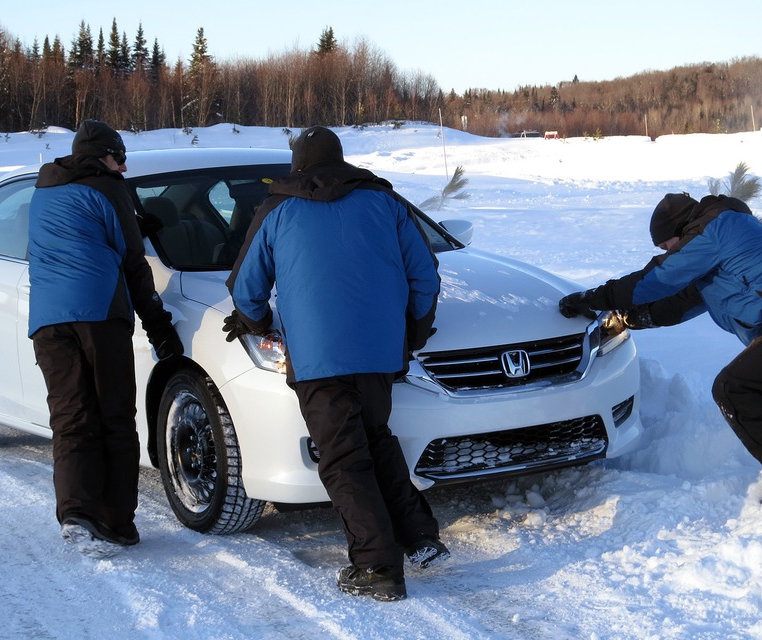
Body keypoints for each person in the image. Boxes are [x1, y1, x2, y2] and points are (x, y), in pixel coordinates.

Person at [225, 126, 449, 601]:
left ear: (298, 164)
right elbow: (426, 276)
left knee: (344, 458)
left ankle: (376, 568)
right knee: (376, 440)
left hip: (319, 358)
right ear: (340, 159)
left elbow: (246, 288)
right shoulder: (387, 204)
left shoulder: (278, 208)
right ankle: (419, 537)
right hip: (378, 354)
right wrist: (411, 332)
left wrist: (254, 322)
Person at [559, 192, 762, 499]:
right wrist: (627, 319)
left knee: (735, 389)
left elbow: (656, 279)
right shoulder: (723, 249)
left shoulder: (715, 228)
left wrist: (593, 298)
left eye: (666, 245)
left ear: (680, 231)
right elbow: (675, 304)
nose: (666, 252)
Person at [28, 119, 183, 556]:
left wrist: (132, 221)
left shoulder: (46, 188)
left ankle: (76, 514)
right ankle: (117, 523)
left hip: (47, 322)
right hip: (98, 315)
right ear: (103, 157)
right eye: (120, 158)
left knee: (72, 418)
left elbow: (83, 227)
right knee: (114, 418)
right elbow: (135, 267)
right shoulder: (110, 189)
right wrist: (160, 329)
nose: (125, 168)